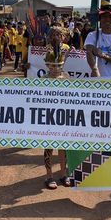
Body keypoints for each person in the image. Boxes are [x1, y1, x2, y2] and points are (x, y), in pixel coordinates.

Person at [42, 26, 71, 189]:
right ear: (47, 65)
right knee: (48, 147)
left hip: (63, 117)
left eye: (58, 65)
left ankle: (63, 174)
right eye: (52, 66)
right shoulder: (44, 80)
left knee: (63, 147)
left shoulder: (66, 77)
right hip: (48, 118)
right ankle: (49, 175)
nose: (55, 69)